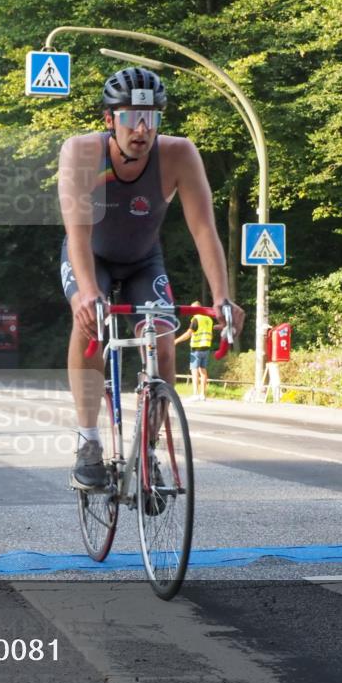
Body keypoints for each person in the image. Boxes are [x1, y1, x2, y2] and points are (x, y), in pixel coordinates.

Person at [58, 67, 245, 489]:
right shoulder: (81, 152)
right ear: (109, 121)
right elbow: (78, 232)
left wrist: (222, 298)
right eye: (129, 118)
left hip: (144, 260)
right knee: (89, 320)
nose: (141, 130)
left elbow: (203, 230)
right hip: (91, 255)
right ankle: (88, 441)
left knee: (162, 342)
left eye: (151, 120)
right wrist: (88, 294)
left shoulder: (179, 154)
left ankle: (148, 452)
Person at [174, 301, 215, 401]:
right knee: (203, 371)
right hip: (206, 347)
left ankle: (195, 394)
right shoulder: (208, 319)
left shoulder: (196, 319)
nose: (192, 311)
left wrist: (176, 341)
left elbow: (188, 334)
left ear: (197, 309)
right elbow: (211, 334)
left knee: (194, 370)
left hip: (196, 348)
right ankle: (203, 395)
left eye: (193, 309)